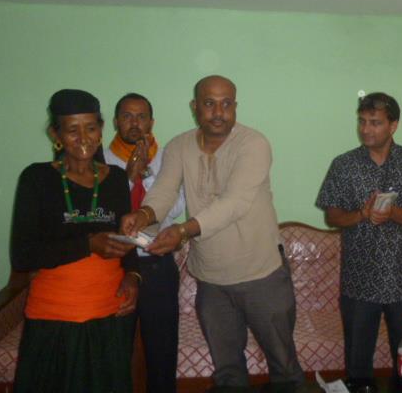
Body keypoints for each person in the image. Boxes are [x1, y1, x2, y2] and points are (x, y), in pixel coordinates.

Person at [120, 75, 305, 388]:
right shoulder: (179, 146)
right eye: (209, 103)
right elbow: (164, 189)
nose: (218, 112)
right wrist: (144, 213)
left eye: (226, 104)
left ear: (235, 106)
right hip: (211, 279)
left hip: (261, 273)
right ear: (195, 107)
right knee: (227, 372)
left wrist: (183, 230)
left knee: (283, 366)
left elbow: (235, 203)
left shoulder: (253, 144)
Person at [11, 89, 140, 393]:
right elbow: (23, 255)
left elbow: (126, 242)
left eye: (91, 127)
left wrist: (134, 276)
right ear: (55, 134)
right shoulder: (36, 179)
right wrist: (88, 244)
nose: (83, 138)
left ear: (101, 129)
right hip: (53, 318)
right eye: (72, 129)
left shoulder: (116, 179)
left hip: (108, 315)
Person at [316, 92, 402, 391]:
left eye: (375, 122)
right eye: (362, 121)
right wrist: (362, 214)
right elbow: (332, 217)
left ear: (393, 125)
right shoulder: (344, 164)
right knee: (358, 364)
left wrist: (393, 212)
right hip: (359, 280)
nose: (366, 129)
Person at [105, 93, 186, 393]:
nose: (134, 123)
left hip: (157, 261)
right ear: (116, 121)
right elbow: (103, 215)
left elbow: (177, 208)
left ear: (151, 122)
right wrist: (128, 178)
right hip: (116, 264)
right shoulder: (101, 160)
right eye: (127, 116)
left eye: (141, 117)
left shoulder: (168, 158)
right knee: (115, 350)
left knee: (162, 351)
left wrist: (148, 175)